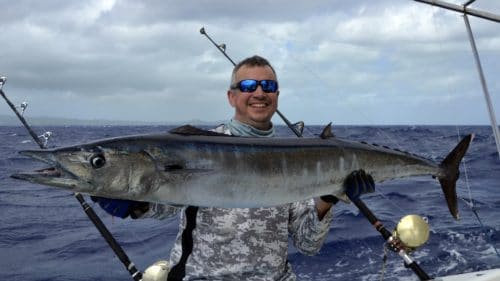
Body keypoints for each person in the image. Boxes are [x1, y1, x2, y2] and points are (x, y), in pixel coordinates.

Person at [93, 55, 375, 281]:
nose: (260, 93)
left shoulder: (295, 158)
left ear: (277, 95)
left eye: (269, 86)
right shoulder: (194, 145)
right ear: (231, 96)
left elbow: (307, 244)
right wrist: (134, 204)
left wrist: (328, 197)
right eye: (249, 86)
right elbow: (162, 203)